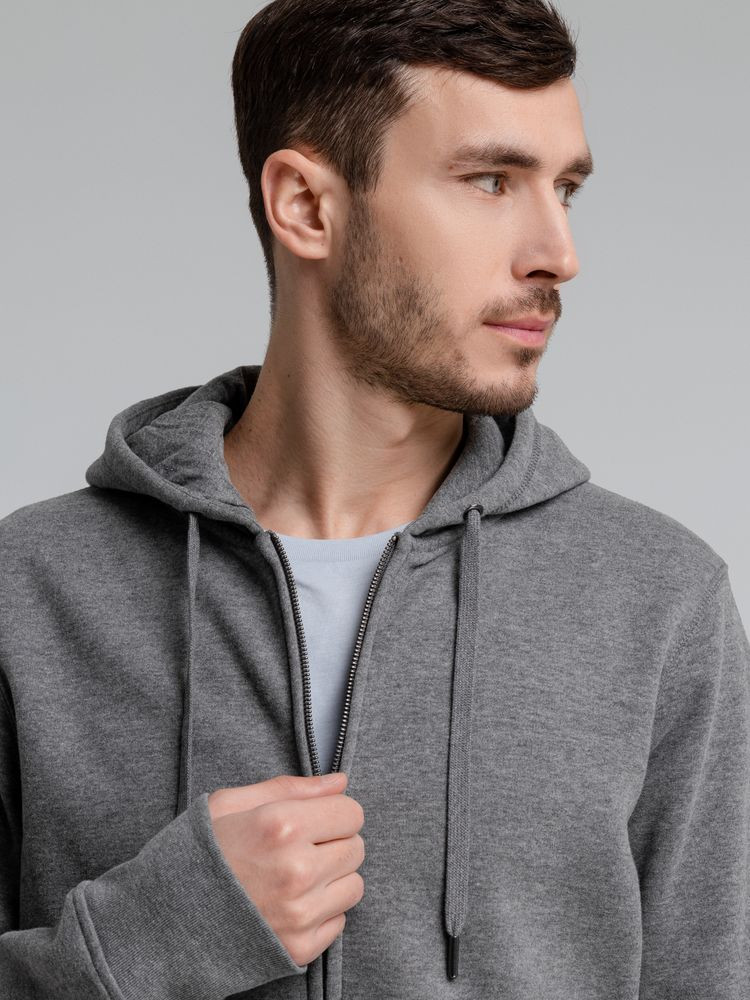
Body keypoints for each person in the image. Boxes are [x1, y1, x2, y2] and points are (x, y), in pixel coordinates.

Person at [1, 0, 748, 997]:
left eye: (565, 188)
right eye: (491, 181)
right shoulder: (31, 593)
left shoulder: (658, 602)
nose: (558, 252)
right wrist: (148, 939)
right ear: (307, 206)